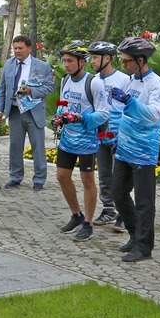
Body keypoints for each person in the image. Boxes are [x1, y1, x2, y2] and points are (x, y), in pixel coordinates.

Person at [111, 36, 160, 262]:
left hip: (144, 151)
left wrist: (129, 102)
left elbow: (155, 114)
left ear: (141, 60)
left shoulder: (156, 83)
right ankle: (134, 236)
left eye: (127, 61)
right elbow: (121, 109)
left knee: (144, 202)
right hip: (124, 148)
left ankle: (144, 247)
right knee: (118, 193)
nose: (124, 65)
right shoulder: (130, 80)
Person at [52, 42, 108, 242]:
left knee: (87, 181)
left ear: (81, 62)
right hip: (68, 138)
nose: (65, 64)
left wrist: (81, 118)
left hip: (87, 140)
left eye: (70, 61)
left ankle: (88, 223)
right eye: (64, 60)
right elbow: (63, 103)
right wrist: (58, 116)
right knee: (61, 176)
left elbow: (103, 113)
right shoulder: (65, 79)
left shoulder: (93, 83)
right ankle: (76, 215)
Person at [0, 35, 56, 190]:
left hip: (33, 111)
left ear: (29, 48)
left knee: (38, 146)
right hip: (15, 111)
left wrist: (32, 90)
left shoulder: (42, 66)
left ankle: (39, 179)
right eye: (15, 48)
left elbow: (50, 87)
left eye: (20, 48)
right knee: (15, 146)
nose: (17, 51)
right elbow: (2, 89)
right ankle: (15, 176)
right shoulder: (9, 65)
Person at [88, 41, 128, 228]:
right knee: (104, 174)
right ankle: (108, 209)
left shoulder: (123, 79)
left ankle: (123, 212)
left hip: (118, 134)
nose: (92, 61)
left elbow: (130, 107)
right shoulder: (93, 80)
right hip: (100, 133)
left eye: (96, 57)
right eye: (92, 57)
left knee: (119, 175)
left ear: (108, 58)